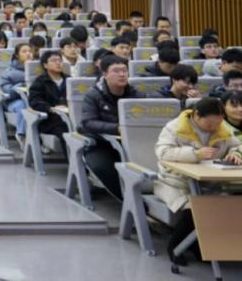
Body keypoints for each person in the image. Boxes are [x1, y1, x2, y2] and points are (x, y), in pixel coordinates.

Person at [155, 98, 242, 265]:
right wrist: (195, 154)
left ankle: (202, 247)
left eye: (218, 123)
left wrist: (236, 153)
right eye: (209, 124)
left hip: (210, 182)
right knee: (194, 208)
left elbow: (236, 145)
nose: (214, 128)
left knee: (225, 205)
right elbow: (163, 152)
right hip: (176, 182)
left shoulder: (221, 129)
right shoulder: (175, 127)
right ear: (196, 115)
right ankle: (175, 246)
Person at [79, 55, 140, 200]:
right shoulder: (93, 95)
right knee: (101, 166)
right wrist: (117, 128)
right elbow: (88, 122)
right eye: (116, 71)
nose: (122, 74)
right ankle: (130, 201)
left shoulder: (135, 94)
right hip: (101, 143)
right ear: (105, 74)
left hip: (131, 143)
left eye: (124, 70)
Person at [28, 50, 69, 155]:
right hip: (50, 120)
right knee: (65, 130)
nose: (58, 63)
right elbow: (34, 101)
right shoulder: (40, 81)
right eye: (54, 60)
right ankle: (74, 162)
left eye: (60, 60)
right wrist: (51, 109)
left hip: (69, 117)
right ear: (45, 65)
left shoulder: (70, 80)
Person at [0, 43, 32, 146]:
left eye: (30, 51)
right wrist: (21, 86)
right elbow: (6, 90)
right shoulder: (9, 72)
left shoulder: (39, 70)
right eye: (24, 51)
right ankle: (21, 134)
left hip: (34, 99)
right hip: (14, 101)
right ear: (17, 55)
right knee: (23, 105)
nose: (28, 53)